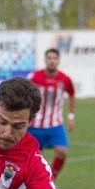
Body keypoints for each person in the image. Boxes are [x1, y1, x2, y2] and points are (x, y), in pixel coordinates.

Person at [27, 48, 76, 180]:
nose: (52, 61)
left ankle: (51, 179)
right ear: (45, 60)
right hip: (34, 124)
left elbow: (72, 94)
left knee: (62, 151)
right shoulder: (34, 77)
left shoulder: (65, 79)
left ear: (58, 61)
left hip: (55, 123)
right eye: (49, 58)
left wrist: (71, 117)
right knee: (31, 157)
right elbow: (24, 94)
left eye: (54, 58)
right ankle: (31, 182)